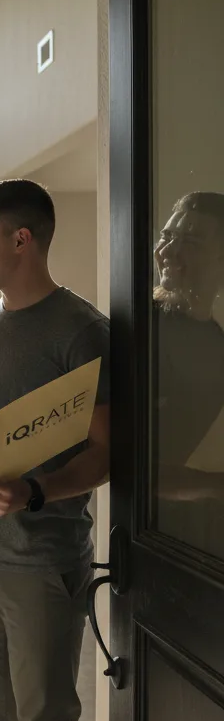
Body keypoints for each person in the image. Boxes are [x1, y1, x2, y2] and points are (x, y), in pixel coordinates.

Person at [0, 180, 110, 721]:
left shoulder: (83, 331)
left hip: (42, 564)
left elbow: (107, 452)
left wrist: (35, 492)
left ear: (21, 240)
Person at [153, 192, 224, 551]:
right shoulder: (138, 325)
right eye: (166, 237)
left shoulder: (215, 346)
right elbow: (122, 462)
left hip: (183, 535)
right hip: (143, 532)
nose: (167, 252)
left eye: (191, 242)